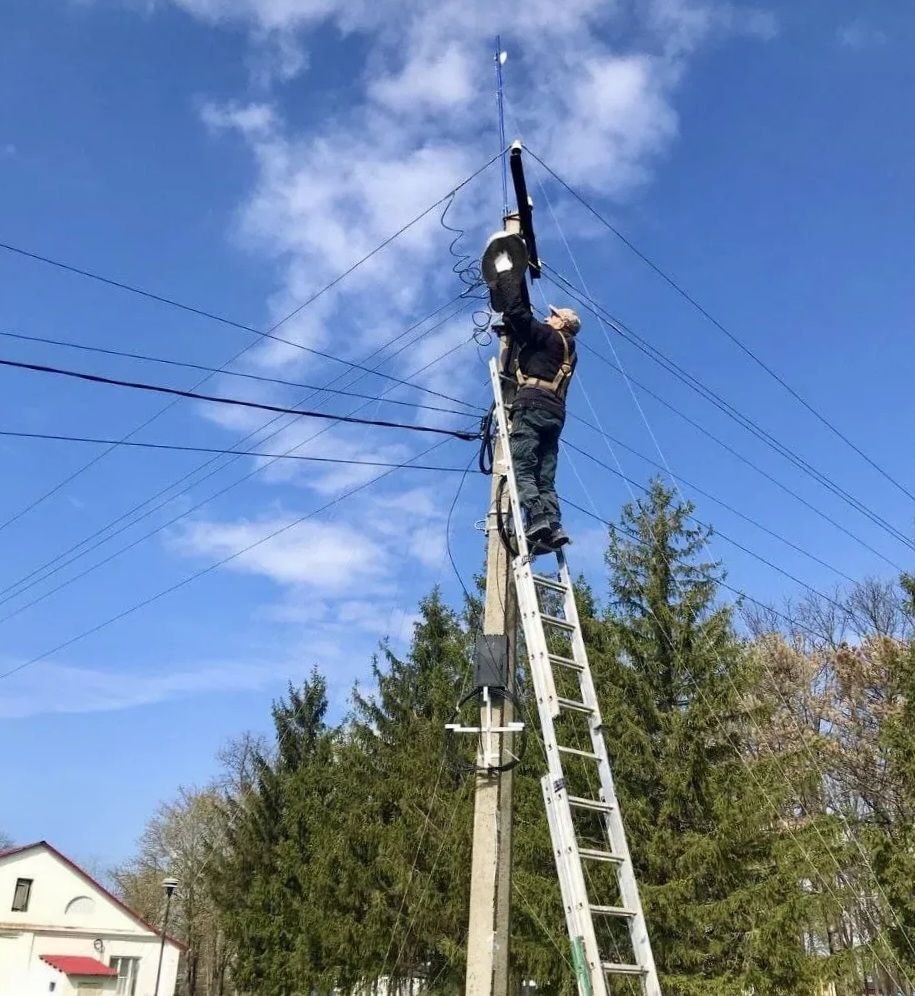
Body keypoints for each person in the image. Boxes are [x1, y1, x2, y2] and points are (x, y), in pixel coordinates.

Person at [494, 272, 580, 552]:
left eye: (553, 316)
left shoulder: (550, 338)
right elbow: (532, 343)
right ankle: (553, 525)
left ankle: (536, 516)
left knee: (522, 465)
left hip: (532, 406)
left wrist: (507, 278)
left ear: (563, 323)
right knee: (545, 475)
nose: (547, 317)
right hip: (555, 415)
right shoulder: (570, 351)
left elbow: (521, 317)